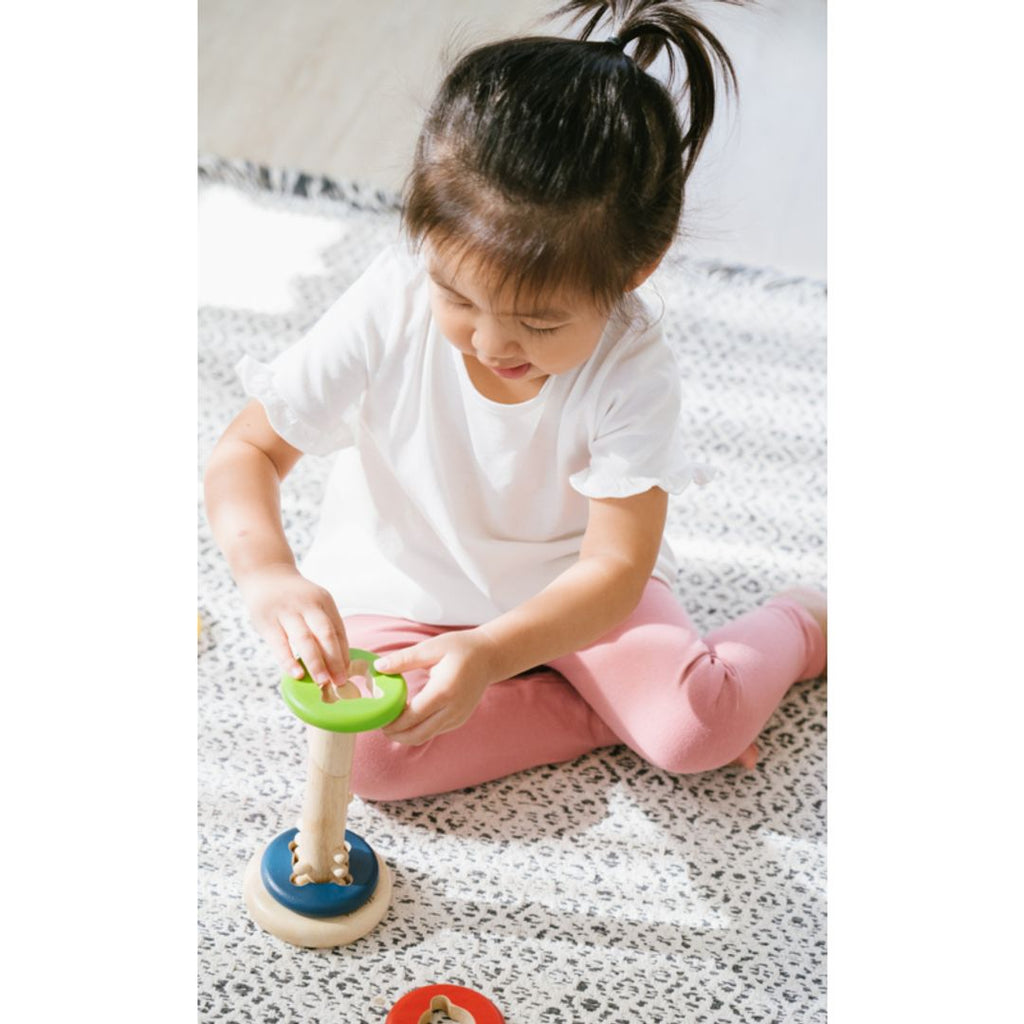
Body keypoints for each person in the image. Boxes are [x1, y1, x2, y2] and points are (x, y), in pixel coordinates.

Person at [204, 0, 826, 802]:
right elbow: (247, 452)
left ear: (636, 270)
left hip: (573, 603)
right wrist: (268, 576)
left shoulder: (632, 369)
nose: (492, 345)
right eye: (457, 297)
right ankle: (608, 714)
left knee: (696, 731)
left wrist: (496, 654)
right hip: (407, 585)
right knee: (373, 760)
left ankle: (806, 625)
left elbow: (612, 569)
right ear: (425, 238)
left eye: (539, 322)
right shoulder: (388, 302)